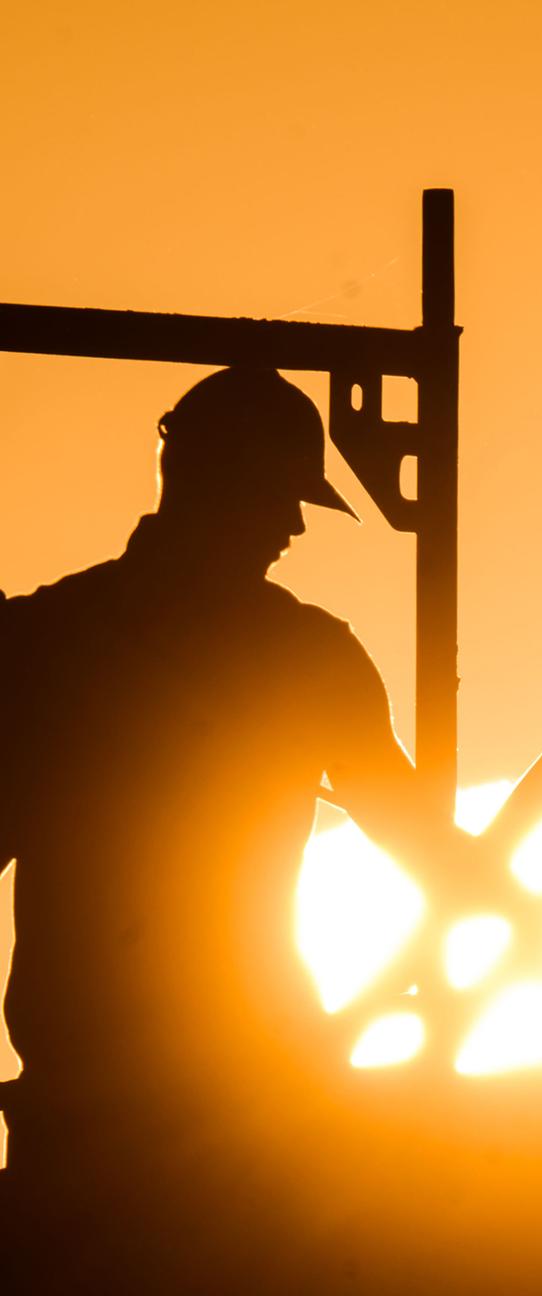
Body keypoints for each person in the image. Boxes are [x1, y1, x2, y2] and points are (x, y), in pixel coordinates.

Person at [0, 367, 506, 1289]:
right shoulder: (303, 656)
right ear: (216, 485)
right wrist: (518, 913)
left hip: (102, 1121)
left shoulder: (42, 640)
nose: (296, 526)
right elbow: (424, 846)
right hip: (237, 1115)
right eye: (283, 495)